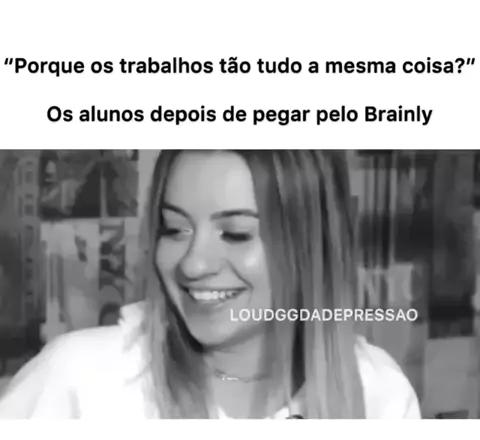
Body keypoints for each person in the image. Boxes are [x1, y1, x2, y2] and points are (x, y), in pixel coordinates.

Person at [0, 150, 421, 419]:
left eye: (236, 234)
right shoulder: (79, 380)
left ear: (314, 244)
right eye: (174, 229)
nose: (193, 264)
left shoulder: (380, 394)